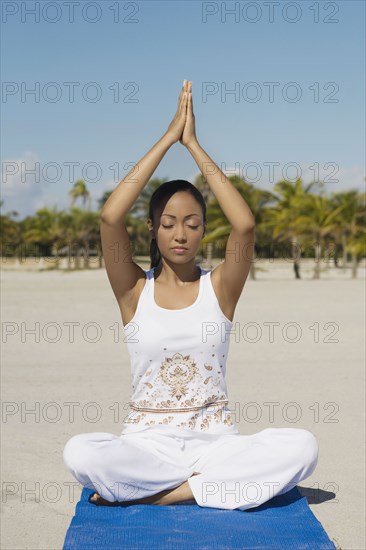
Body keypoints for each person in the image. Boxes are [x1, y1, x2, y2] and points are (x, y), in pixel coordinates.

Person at [63, 79, 319, 511]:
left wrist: (195, 146)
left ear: (203, 229)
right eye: (168, 223)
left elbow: (245, 226)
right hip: (148, 447)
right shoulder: (133, 290)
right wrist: (168, 138)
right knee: (80, 452)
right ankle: (202, 488)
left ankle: (178, 492)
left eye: (193, 223)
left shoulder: (219, 288)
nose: (180, 234)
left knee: (304, 446)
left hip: (216, 445)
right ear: (152, 228)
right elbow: (110, 216)